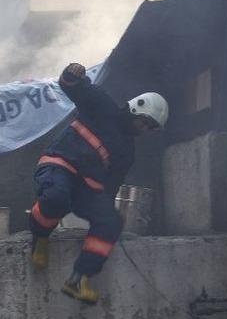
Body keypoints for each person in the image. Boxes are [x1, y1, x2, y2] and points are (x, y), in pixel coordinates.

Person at [28, 63, 169, 304]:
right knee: (57, 198)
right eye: (144, 122)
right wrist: (72, 74)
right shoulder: (102, 105)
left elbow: (110, 187)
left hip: (85, 187)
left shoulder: (127, 152)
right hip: (59, 165)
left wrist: (103, 211)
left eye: (149, 128)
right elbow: (70, 86)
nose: (143, 129)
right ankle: (40, 236)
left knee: (111, 221)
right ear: (136, 108)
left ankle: (79, 279)